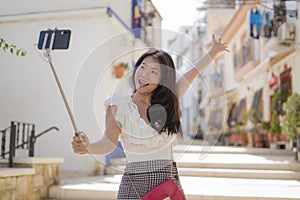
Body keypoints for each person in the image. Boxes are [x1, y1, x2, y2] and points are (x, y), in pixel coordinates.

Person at [72, 34, 229, 199]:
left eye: (153, 72)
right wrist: (88, 147)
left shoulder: (170, 99)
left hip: (168, 186)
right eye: (142, 67)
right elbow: (108, 143)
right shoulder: (118, 105)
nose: (144, 75)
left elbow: (193, 72)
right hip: (134, 188)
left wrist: (214, 51)